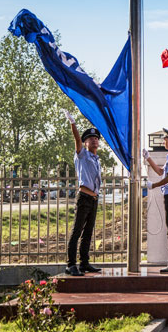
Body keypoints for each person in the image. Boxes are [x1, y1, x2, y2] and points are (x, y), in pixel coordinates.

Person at [63, 110, 102, 276]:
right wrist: (73, 123)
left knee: (88, 233)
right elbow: (77, 140)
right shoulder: (82, 155)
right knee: (77, 231)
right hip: (84, 198)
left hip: (93, 199)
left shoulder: (96, 159)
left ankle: (84, 263)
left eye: (96, 138)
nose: (94, 140)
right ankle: (71, 264)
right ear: (85, 143)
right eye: (90, 138)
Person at [143, 128, 168, 273]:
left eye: (165, 140)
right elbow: (161, 172)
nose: (163, 143)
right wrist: (148, 158)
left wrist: (153, 185)